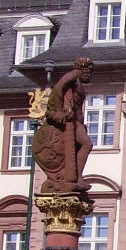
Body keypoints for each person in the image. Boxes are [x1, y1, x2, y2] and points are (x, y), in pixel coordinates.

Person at [31, 57, 94, 194]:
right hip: (71, 122)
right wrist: (57, 110)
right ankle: (77, 177)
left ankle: (77, 177)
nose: (90, 75)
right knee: (86, 144)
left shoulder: (78, 81)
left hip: (77, 122)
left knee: (85, 145)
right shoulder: (74, 75)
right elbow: (59, 88)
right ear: (83, 69)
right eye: (89, 71)